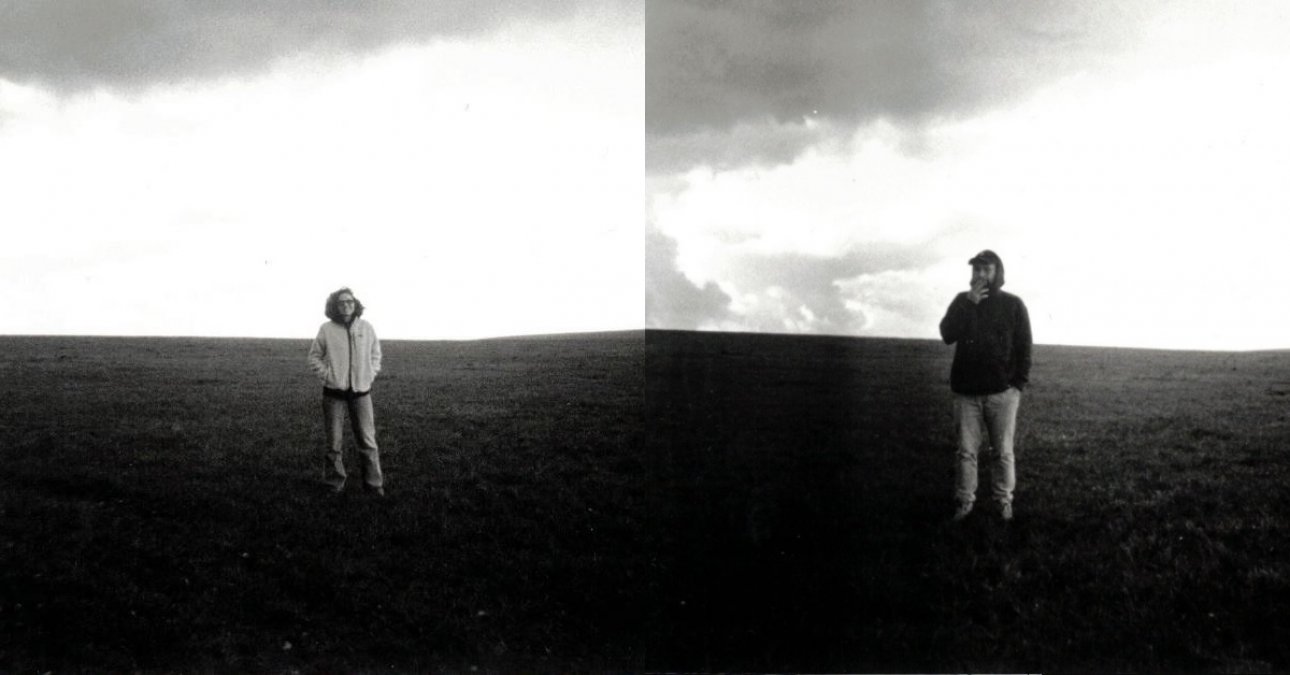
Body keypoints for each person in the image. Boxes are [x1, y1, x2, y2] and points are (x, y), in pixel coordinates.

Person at [939, 250, 1031, 522]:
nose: (980, 275)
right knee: (966, 451)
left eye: (986, 269)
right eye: (976, 270)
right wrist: (969, 304)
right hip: (966, 394)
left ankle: (1003, 502)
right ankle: (965, 502)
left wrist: (1017, 386)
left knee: (1002, 452)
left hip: (1002, 394)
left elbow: (1024, 348)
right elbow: (947, 334)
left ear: (997, 273)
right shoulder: (962, 301)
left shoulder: (1013, 305)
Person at [308, 287, 385, 496]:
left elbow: (376, 355)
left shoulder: (366, 328)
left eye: (349, 301)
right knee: (334, 443)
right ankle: (334, 483)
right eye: (341, 302)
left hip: (361, 394)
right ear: (334, 306)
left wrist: (369, 375)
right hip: (334, 395)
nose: (346, 305)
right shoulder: (326, 329)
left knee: (368, 441)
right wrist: (328, 376)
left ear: (355, 303)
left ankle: (374, 484)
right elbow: (314, 357)